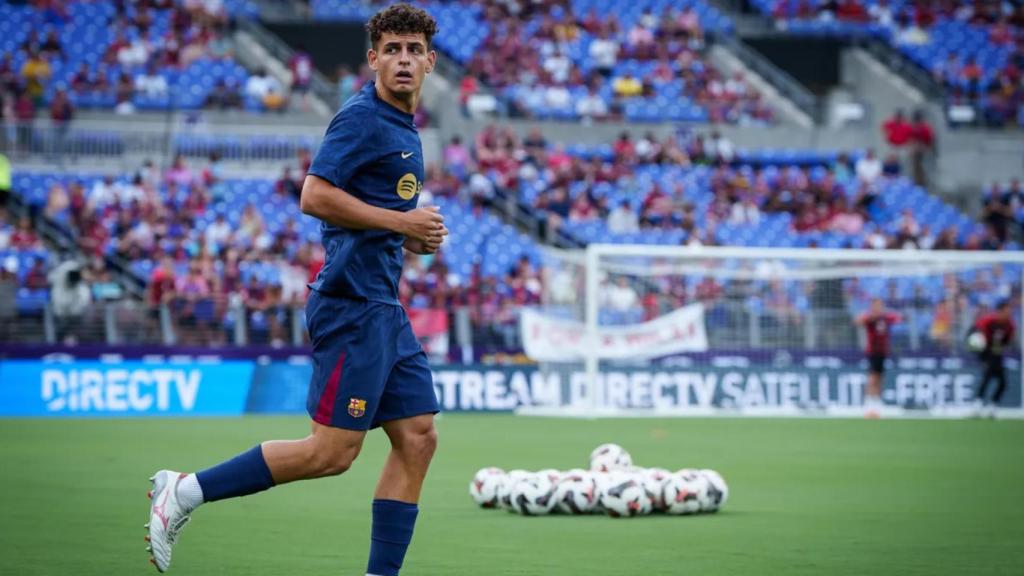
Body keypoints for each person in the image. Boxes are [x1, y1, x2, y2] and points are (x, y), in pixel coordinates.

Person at [145, 5, 446, 575]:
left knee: (418, 437)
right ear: (373, 58)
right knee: (331, 454)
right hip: (352, 307)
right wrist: (403, 224)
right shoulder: (362, 118)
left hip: (383, 304)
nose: (403, 59)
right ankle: (184, 491)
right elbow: (314, 195)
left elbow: (365, 217)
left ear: (430, 61)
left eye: (413, 50)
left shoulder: (403, 126)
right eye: (392, 49)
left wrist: (409, 238)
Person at [855, 298, 901, 418]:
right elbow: (858, 321)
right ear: (872, 306)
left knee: (880, 379)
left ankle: (877, 406)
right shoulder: (870, 318)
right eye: (876, 305)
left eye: (880, 305)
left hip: (883, 352)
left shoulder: (885, 317)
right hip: (872, 352)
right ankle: (868, 405)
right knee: (872, 378)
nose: (878, 307)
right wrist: (870, 317)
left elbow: (898, 318)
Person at [972, 300, 1016, 418]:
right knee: (987, 377)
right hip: (986, 352)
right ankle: (979, 405)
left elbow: (1007, 340)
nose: (1009, 313)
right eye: (1007, 310)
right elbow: (976, 333)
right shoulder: (988, 321)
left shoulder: (1010, 325)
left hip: (997, 354)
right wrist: (981, 353)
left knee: (1002, 382)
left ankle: (991, 405)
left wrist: (1000, 347)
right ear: (999, 311)